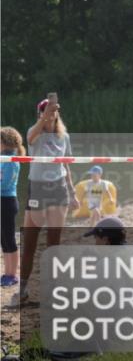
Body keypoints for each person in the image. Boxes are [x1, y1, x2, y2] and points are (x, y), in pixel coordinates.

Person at [12, 98, 78, 306]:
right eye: (44, 110)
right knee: (29, 241)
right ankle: (22, 289)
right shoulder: (35, 131)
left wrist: (72, 190)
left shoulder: (63, 136)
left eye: (52, 110)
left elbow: (65, 165)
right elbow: (29, 138)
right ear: (39, 113)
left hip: (58, 189)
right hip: (37, 188)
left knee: (54, 242)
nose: (49, 114)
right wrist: (44, 117)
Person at [1, 128, 25, 287]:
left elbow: (5, 183)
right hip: (2, 200)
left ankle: (13, 274)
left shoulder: (11, 160)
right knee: (3, 239)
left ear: (4, 142)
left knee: (10, 238)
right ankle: (6, 273)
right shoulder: (3, 158)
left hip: (7, 201)